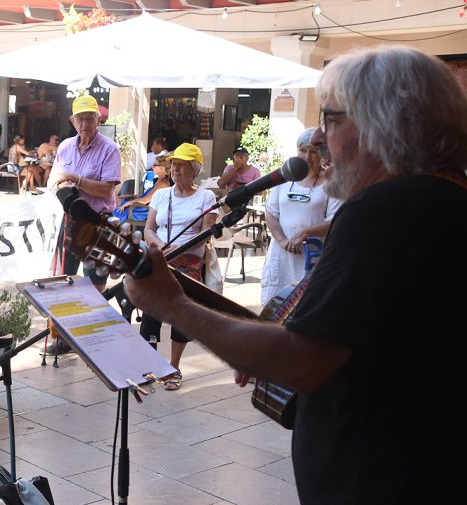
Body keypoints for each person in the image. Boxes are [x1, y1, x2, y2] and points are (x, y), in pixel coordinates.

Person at [124, 45, 467, 504]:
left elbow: (299, 361)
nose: (320, 141)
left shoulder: (384, 211)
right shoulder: (445, 197)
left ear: (382, 123)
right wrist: (248, 341)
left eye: (331, 120)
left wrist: (172, 305)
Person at [136, 143, 218, 390]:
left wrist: (180, 249)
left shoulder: (206, 197)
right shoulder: (162, 194)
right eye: (174, 165)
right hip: (160, 260)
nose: (176, 170)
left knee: (181, 316)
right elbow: (149, 229)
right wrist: (161, 245)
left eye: (182, 165)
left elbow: (206, 233)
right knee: (151, 314)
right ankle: (148, 366)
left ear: (195, 170)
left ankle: (173, 366)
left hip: (189, 264)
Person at [260, 127, 341, 307]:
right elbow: (271, 213)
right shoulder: (284, 178)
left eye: (313, 151)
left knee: (303, 310)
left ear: (323, 155)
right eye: (303, 151)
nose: (307, 157)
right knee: (273, 310)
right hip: (281, 256)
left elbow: (335, 219)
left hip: (311, 258)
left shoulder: (331, 183)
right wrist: (282, 241)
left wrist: (305, 232)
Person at [47, 94, 121, 292]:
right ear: (73, 121)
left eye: (89, 118)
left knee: (96, 288)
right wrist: (63, 184)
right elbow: (53, 181)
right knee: (62, 281)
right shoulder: (65, 146)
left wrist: (75, 180)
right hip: (68, 222)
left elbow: (106, 189)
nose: (85, 123)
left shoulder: (110, 149)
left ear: (98, 120)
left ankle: (94, 322)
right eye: (80, 118)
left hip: (98, 223)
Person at [112, 156, 172, 225]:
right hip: (139, 207)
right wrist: (130, 196)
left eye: (155, 165)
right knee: (114, 198)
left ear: (162, 168)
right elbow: (145, 196)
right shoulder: (160, 181)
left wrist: (127, 203)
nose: (152, 167)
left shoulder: (163, 184)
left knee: (112, 199)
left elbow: (146, 200)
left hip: (141, 211)